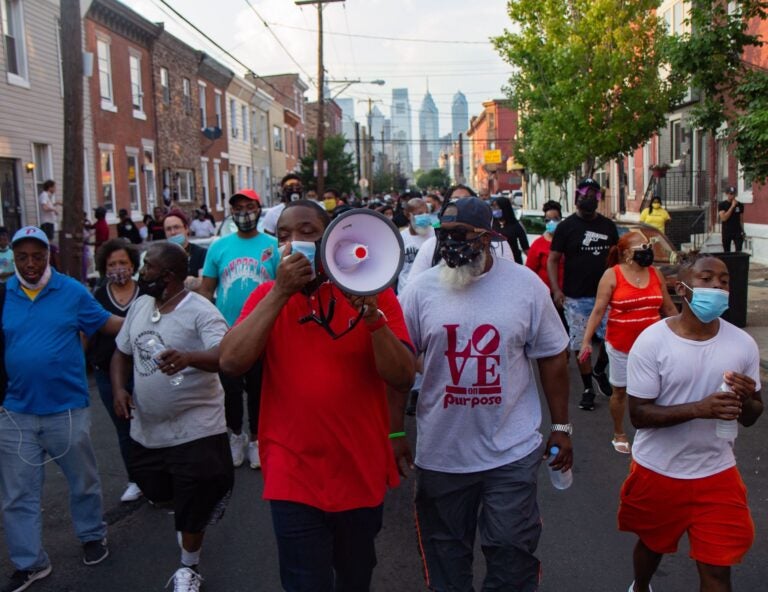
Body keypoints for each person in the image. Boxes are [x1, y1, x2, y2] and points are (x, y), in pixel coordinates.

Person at [219, 199, 415, 592]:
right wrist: (279, 293)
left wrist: (373, 319)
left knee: (354, 577)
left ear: (331, 239)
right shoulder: (266, 299)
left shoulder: (372, 292)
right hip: (293, 472)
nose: (295, 242)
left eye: (308, 232)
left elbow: (402, 376)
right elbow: (231, 361)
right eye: (284, 236)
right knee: (305, 582)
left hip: (359, 468)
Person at [399, 197, 572, 591]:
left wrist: (562, 426)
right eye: (445, 236)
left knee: (513, 552)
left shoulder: (525, 285)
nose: (450, 245)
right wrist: (394, 433)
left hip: (510, 451)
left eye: (461, 236)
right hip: (442, 456)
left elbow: (552, 356)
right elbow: (398, 367)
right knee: (446, 559)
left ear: (488, 238)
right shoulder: (420, 291)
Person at [619, 253, 763, 592]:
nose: (717, 286)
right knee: (652, 547)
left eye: (724, 281)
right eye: (707, 279)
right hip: (659, 470)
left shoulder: (742, 344)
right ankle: (641, 586)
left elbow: (755, 415)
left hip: (717, 472)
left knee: (718, 571)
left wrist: (746, 400)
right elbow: (639, 415)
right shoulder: (653, 342)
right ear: (682, 288)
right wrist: (699, 409)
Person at [0, 226, 123, 592]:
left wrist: (149, 315)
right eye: (22, 257)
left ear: (48, 256)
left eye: (38, 256)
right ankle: (30, 562)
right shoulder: (3, 294)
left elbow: (107, 324)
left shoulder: (71, 291)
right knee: (17, 493)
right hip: (14, 412)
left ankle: (91, 534)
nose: (31, 264)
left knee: (82, 481)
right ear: (13, 258)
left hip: (66, 407)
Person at [112, 242, 233, 592]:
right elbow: (121, 353)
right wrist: (120, 390)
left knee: (193, 503)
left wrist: (189, 357)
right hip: (147, 429)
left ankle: (189, 567)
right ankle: (189, 512)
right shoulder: (140, 305)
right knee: (155, 489)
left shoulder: (202, 311)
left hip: (195, 429)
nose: (140, 272)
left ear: (166, 276)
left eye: (147, 266)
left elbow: (225, 355)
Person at [199, 189, 279, 469]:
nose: (244, 213)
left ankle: (257, 440)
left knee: (259, 388)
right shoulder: (219, 247)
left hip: (262, 331)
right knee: (229, 389)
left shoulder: (274, 246)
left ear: (259, 209)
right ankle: (236, 435)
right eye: (238, 208)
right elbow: (206, 290)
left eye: (249, 206)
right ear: (231, 213)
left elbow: (283, 288)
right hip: (227, 332)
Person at [578, 232, 677, 454]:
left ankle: (654, 430)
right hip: (621, 344)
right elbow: (598, 311)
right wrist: (586, 342)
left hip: (655, 347)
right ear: (626, 253)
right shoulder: (612, 275)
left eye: (649, 246)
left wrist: (684, 333)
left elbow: (669, 309)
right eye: (643, 246)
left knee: (658, 390)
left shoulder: (656, 274)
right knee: (621, 392)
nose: (648, 250)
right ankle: (619, 432)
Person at [548, 177, 619, 410]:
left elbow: (617, 257)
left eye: (594, 194)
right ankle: (588, 387)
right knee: (581, 344)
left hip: (607, 296)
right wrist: (556, 290)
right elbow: (553, 259)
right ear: (577, 196)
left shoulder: (608, 226)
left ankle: (600, 370)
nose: (589, 198)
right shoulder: (566, 227)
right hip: (576, 298)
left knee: (612, 341)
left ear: (599, 198)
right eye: (585, 193)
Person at [86, 239, 144, 502]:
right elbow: (86, 334)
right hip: (108, 374)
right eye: (112, 264)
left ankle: (158, 477)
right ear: (103, 267)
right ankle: (136, 479)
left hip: (145, 370)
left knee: (151, 422)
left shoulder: (146, 293)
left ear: (133, 264)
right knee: (124, 427)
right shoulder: (97, 297)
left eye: (122, 262)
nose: (118, 268)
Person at [164, 209, 208, 290]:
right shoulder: (161, 257)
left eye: (176, 227)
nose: (173, 232)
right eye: (168, 229)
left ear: (186, 228)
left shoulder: (201, 253)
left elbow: (205, 283)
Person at [397, 197, 433, 294]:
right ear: (409, 215)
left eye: (426, 213)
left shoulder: (436, 235)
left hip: (430, 292)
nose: (425, 216)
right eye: (420, 214)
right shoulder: (399, 238)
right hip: (405, 293)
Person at [490, 195, 529, 264]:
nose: (494, 209)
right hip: (496, 261)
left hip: (514, 260)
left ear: (504, 208)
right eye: (493, 207)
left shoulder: (516, 225)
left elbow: (525, 247)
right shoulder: (491, 223)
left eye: (496, 207)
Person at [718, 186, 745, 252]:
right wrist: (732, 207)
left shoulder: (740, 205)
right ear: (726, 194)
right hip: (727, 231)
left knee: (739, 251)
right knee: (727, 252)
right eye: (730, 193)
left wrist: (743, 230)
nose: (732, 196)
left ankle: (737, 262)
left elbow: (741, 219)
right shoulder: (722, 205)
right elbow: (724, 218)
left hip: (737, 231)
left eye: (734, 194)